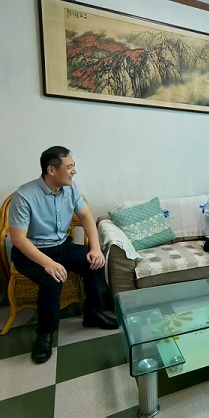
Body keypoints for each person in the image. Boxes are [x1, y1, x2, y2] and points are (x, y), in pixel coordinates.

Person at [9, 146, 118, 365]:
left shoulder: (71, 188)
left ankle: (93, 314)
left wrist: (95, 248)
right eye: (69, 167)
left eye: (73, 166)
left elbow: (86, 216)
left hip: (61, 245)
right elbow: (18, 238)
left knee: (94, 262)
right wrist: (47, 263)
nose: (74, 171)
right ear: (51, 170)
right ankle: (45, 333)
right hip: (31, 251)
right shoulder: (24, 195)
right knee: (52, 278)